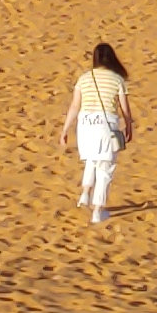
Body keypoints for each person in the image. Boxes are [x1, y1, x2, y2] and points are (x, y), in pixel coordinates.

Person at [66, 43, 137, 224]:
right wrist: (129, 125)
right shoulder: (117, 79)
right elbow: (124, 108)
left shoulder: (84, 78)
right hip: (106, 124)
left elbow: (75, 105)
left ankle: (84, 194)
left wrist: (65, 129)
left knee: (91, 159)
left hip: (85, 123)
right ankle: (98, 210)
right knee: (105, 167)